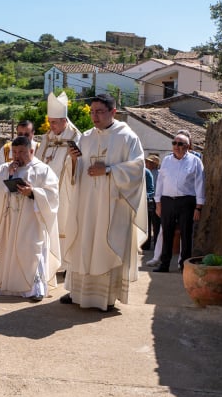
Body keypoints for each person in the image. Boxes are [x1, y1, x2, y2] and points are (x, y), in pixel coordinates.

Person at [60, 93, 147, 311]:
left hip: (112, 206)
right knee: (84, 242)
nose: (94, 116)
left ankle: (105, 297)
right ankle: (77, 292)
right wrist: (73, 160)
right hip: (87, 204)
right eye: (92, 111)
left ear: (113, 112)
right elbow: (76, 173)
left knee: (105, 246)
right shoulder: (86, 137)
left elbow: (138, 169)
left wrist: (108, 170)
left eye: (99, 111)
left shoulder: (127, 137)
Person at [0, 136, 60, 302]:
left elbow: (53, 194)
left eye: (22, 152)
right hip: (11, 219)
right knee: (10, 251)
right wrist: (7, 175)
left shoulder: (43, 170)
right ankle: (11, 288)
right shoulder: (6, 168)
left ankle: (36, 289)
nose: (17, 156)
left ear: (31, 151)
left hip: (32, 219)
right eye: (15, 152)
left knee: (32, 252)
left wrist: (33, 192)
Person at [37, 90, 82, 273]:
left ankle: (65, 265)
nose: (51, 125)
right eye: (49, 121)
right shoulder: (47, 138)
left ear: (65, 121)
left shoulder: (76, 137)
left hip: (65, 193)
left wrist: (74, 160)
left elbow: (80, 166)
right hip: (46, 193)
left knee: (63, 225)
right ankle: (47, 261)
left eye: (54, 122)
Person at [154, 132, 205, 273]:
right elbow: (160, 182)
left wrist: (198, 208)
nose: (176, 146)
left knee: (186, 234)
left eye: (180, 144)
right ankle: (164, 264)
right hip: (167, 201)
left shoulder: (195, 161)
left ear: (187, 146)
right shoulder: (166, 160)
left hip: (186, 201)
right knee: (167, 233)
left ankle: (184, 266)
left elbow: (200, 185)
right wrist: (158, 203)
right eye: (174, 143)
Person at [144, 154, 161, 252]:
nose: (147, 163)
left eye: (149, 162)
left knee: (156, 224)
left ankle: (157, 246)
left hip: (156, 201)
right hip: (147, 200)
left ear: (155, 164)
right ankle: (146, 244)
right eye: (147, 162)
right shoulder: (145, 173)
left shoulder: (159, 174)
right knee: (146, 223)